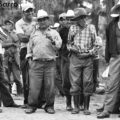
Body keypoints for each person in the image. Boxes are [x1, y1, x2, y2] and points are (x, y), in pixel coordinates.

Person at [25, 9, 62, 114]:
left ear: (48, 20)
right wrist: (29, 58)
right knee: (34, 87)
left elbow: (59, 46)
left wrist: (52, 40)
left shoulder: (54, 32)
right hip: (36, 63)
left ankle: (49, 106)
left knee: (50, 87)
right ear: (38, 21)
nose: (42, 22)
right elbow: (29, 46)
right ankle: (32, 106)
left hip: (50, 63)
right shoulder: (34, 33)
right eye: (40, 20)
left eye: (44, 19)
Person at [67, 7, 97, 115]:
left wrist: (90, 52)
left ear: (84, 17)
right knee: (75, 82)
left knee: (87, 82)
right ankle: (76, 107)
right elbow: (68, 43)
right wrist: (71, 48)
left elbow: (96, 44)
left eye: (79, 18)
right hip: (75, 58)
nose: (77, 20)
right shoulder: (72, 28)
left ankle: (86, 107)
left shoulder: (91, 28)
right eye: (76, 19)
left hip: (88, 58)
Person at [97, 1, 120, 118]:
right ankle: (107, 110)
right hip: (115, 57)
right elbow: (108, 43)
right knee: (112, 84)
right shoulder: (112, 25)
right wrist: (107, 58)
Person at [15, 3, 36, 107]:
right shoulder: (19, 23)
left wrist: (27, 35)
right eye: (27, 11)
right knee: (26, 77)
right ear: (23, 12)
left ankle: (38, 100)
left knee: (37, 75)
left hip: (37, 49)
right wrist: (35, 35)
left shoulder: (37, 20)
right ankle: (26, 101)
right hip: (24, 50)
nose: (30, 12)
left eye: (31, 10)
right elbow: (22, 38)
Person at [1, 20, 22, 95]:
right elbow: (2, 44)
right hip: (6, 57)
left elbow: (17, 43)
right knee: (6, 76)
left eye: (9, 24)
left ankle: (20, 93)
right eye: (6, 24)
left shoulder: (15, 32)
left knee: (17, 77)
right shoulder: (2, 34)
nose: (8, 25)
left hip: (14, 57)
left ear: (12, 25)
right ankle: (8, 93)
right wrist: (11, 43)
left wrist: (11, 35)